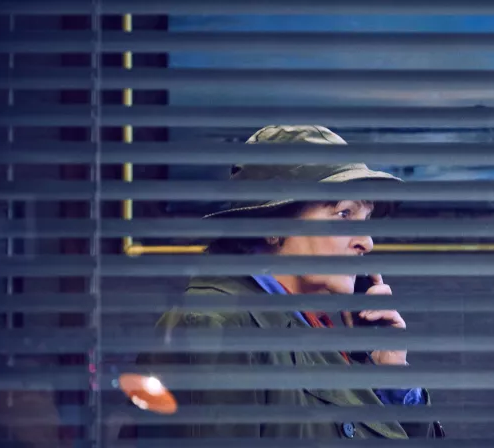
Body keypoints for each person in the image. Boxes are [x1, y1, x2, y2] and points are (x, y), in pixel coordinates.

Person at [134, 125, 444, 440]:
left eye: (365, 220)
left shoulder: (317, 335)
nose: (366, 241)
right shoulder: (215, 326)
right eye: (344, 214)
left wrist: (390, 376)